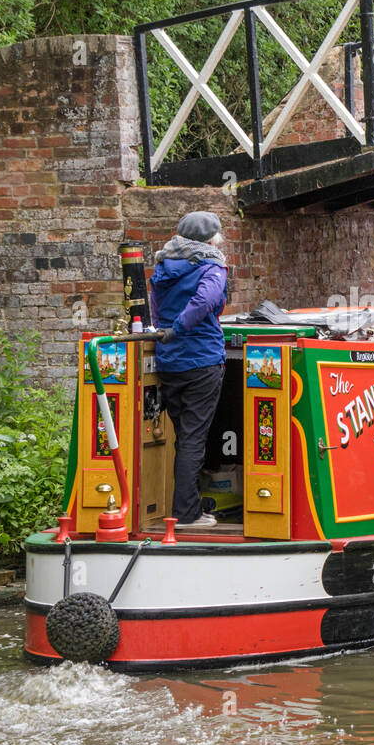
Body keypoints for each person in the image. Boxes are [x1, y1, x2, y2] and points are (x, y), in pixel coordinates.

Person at [151, 211, 228, 527]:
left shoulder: (162, 263)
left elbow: (155, 307)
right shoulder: (212, 265)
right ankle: (187, 514)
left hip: (170, 361)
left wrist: (167, 330)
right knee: (194, 438)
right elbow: (206, 300)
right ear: (211, 239)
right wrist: (181, 327)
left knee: (185, 437)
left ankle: (188, 506)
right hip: (201, 359)